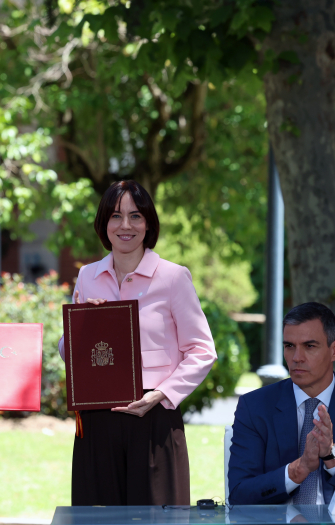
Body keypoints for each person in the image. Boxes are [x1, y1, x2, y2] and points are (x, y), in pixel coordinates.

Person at [58, 180, 217, 506]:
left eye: (135, 216)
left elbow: (202, 351)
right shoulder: (88, 276)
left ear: (148, 224)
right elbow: (68, 351)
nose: (125, 225)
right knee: (98, 517)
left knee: (156, 519)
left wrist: (162, 394)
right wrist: (84, 325)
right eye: (116, 216)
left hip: (154, 418)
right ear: (104, 223)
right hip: (97, 421)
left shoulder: (173, 277)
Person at [228, 302, 335, 504]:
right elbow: (239, 494)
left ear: (334, 350)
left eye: (309, 346)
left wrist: (333, 456)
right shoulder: (254, 406)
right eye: (289, 346)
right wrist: (297, 470)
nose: (297, 358)